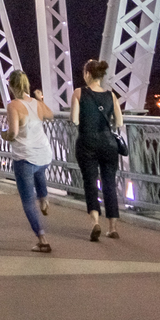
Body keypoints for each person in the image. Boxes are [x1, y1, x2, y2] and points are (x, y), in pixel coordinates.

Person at [71, 58, 127, 241]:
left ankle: (96, 222)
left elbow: (74, 120)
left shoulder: (79, 93)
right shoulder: (111, 95)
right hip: (108, 143)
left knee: (90, 182)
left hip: (87, 141)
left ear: (87, 74)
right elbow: (119, 122)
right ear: (101, 76)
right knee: (109, 183)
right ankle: (113, 227)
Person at [5, 71, 56, 253]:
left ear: (11, 86)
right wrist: (40, 99)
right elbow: (50, 115)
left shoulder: (13, 106)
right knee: (40, 171)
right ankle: (44, 198)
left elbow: (13, 133)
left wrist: (3, 135)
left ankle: (42, 239)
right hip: (44, 154)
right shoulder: (36, 104)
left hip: (25, 156)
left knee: (27, 201)